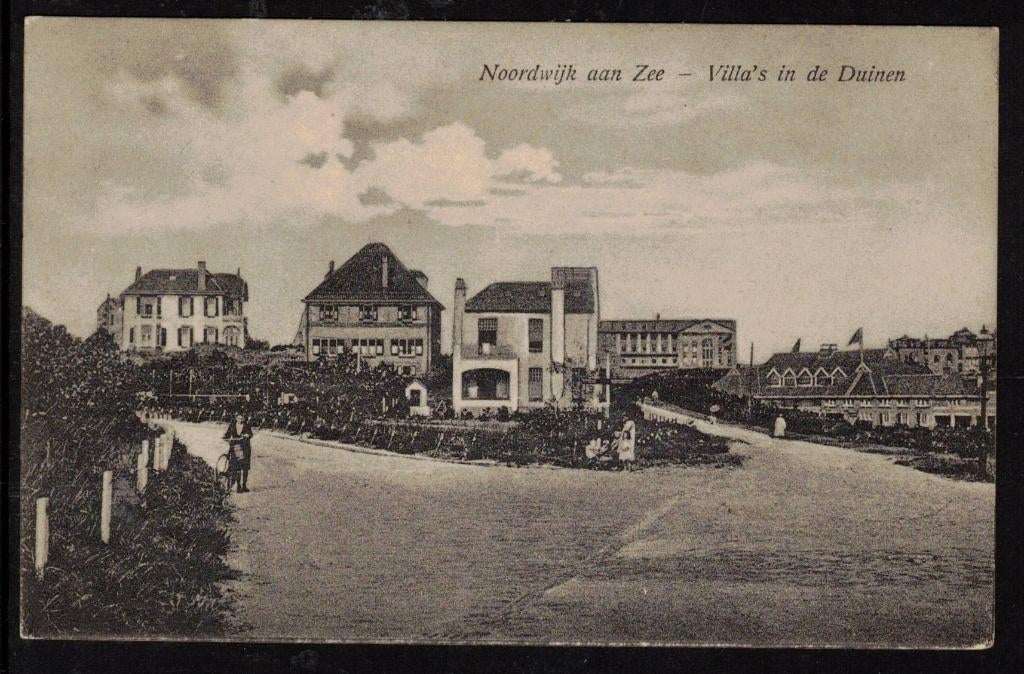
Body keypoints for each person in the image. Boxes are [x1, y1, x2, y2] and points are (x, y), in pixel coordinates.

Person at [223, 413, 254, 493]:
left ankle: (244, 485)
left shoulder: (247, 425)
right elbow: (227, 434)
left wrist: (247, 435)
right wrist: (225, 438)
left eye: (241, 418)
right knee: (237, 468)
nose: (240, 420)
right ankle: (238, 486)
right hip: (235, 447)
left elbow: (251, 434)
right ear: (236, 418)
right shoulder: (232, 425)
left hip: (245, 448)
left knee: (245, 468)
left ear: (243, 419)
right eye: (238, 418)